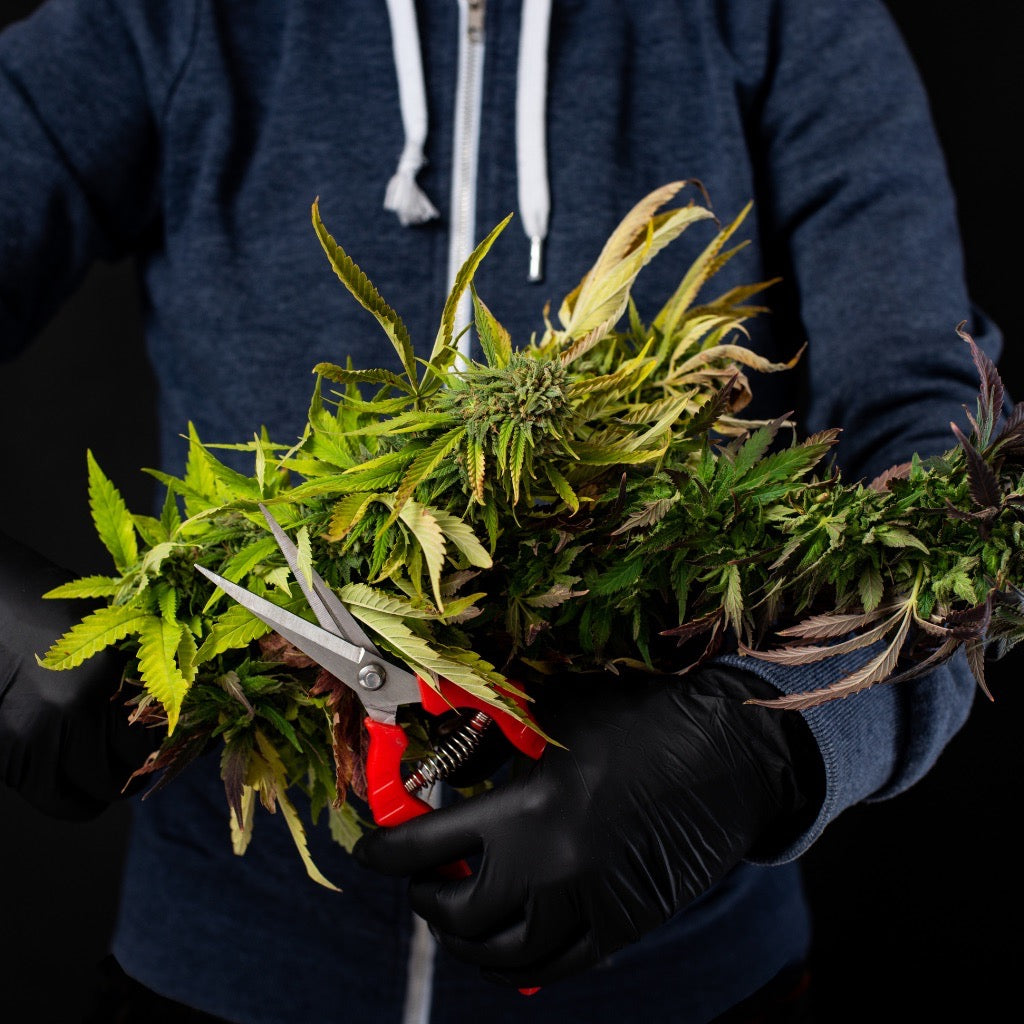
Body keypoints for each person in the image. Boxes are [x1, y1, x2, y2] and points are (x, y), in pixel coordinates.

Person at [0, 1, 1001, 1021]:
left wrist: (759, 745)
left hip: (680, 985)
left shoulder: (783, 20)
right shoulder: (171, 19)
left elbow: (950, 463)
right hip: (220, 977)